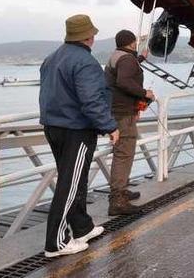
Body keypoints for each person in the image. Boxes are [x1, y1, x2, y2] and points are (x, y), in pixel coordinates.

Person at [40, 15, 119, 257]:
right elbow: (91, 100)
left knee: (74, 178)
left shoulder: (51, 58)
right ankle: (56, 243)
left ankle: (82, 227)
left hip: (53, 126)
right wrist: (109, 126)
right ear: (89, 36)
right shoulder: (85, 62)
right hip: (76, 129)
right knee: (70, 184)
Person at [104, 30, 155, 216]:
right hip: (123, 114)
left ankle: (121, 191)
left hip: (116, 111)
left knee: (122, 152)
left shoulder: (119, 56)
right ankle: (117, 200)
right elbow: (124, 81)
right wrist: (145, 94)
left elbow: (125, 73)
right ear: (132, 43)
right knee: (124, 154)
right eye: (135, 42)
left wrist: (140, 58)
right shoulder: (126, 59)